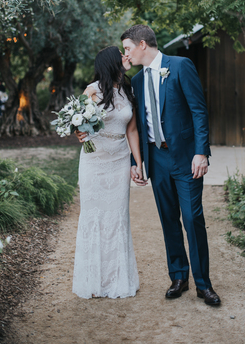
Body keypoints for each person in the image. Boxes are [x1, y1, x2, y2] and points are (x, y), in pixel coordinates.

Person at [121, 24, 221, 306]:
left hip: (187, 158)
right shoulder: (137, 81)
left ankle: (204, 285)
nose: (126, 54)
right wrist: (136, 162)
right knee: (168, 220)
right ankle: (179, 277)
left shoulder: (180, 66)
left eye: (128, 48)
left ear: (142, 45)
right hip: (157, 159)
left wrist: (201, 152)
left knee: (192, 218)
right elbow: (136, 126)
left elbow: (199, 111)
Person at [73, 46, 141, 299]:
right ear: (112, 63)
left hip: (120, 160)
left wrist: (138, 162)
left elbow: (132, 130)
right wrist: (79, 132)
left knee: (117, 218)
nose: (127, 57)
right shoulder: (91, 91)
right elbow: (79, 123)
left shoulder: (128, 90)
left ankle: (117, 279)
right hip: (94, 161)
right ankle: (93, 281)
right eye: (122, 55)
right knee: (93, 216)